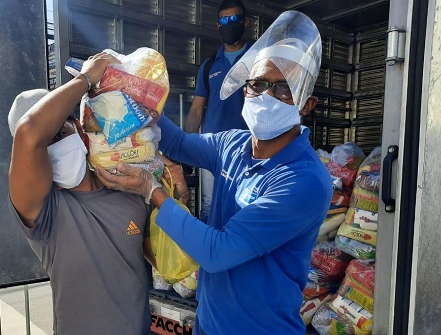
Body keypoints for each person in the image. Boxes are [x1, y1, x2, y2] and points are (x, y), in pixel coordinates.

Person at [96, 11, 332, 334]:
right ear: (245, 90)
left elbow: (217, 252)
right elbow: (178, 143)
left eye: (283, 89)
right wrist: (133, 93)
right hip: (208, 324)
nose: (266, 96)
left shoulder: (305, 181)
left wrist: (152, 191)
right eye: (258, 84)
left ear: (307, 104)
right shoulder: (233, 145)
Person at [7, 52, 154, 335]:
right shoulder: (44, 213)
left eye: (59, 134)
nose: (53, 149)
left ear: (78, 129)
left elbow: (158, 259)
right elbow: (29, 133)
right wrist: (86, 79)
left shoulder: (131, 190)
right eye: (44, 146)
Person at [185, 0, 251, 222]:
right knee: (209, 205)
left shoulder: (259, 59)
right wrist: (187, 147)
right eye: (224, 20)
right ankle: (208, 254)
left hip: (249, 149)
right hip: (212, 147)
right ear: (217, 25)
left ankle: (238, 254)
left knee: (244, 205)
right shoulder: (209, 65)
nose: (229, 24)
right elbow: (196, 110)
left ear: (245, 22)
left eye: (235, 19)